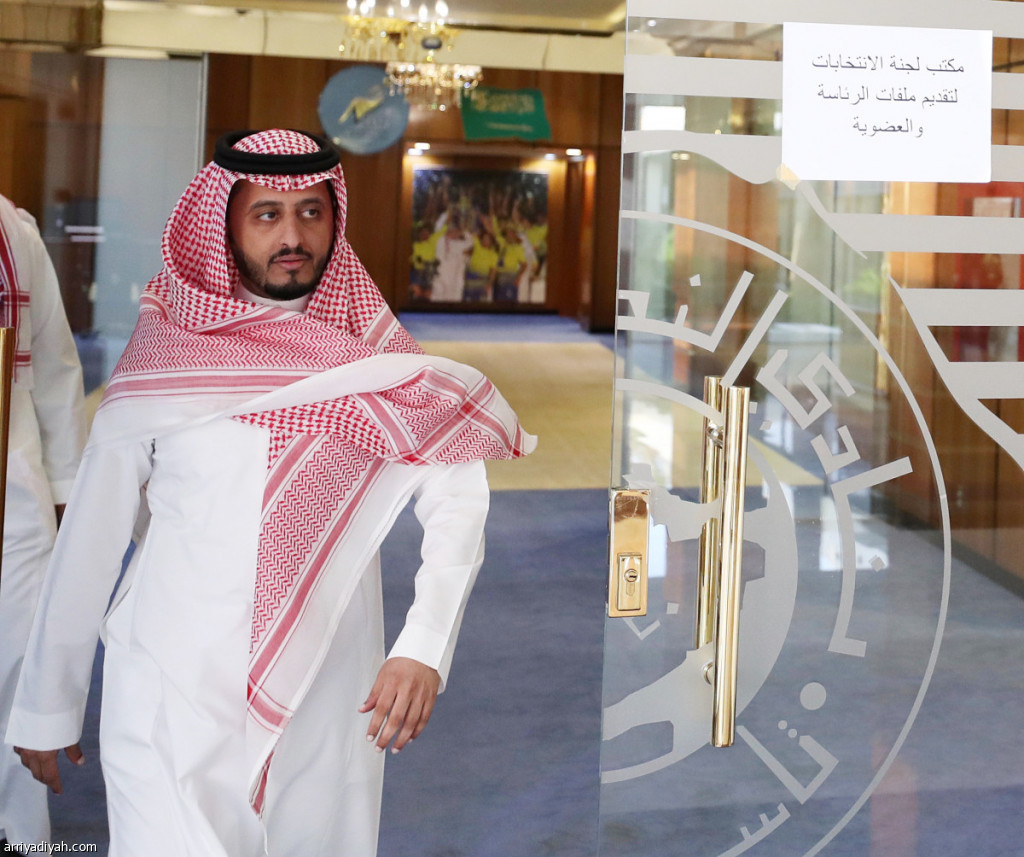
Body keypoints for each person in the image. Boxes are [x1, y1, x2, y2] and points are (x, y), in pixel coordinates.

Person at [6, 129, 534, 857]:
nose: (293, 236)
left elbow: (458, 495)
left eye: (312, 212)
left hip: (327, 683)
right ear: (224, 224)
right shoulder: (164, 356)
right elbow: (91, 538)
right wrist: (47, 703)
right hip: (169, 679)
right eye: (267, 214)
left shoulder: (375, 359)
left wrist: (424, 645)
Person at [0, 194, 86, 854]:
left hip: (17, 507)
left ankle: (17, 838)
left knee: (16, 675)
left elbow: (54, 372)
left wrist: (63, 505)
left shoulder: (13, 228)